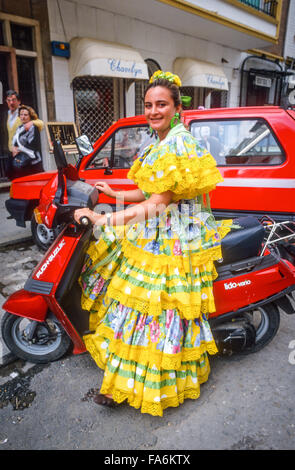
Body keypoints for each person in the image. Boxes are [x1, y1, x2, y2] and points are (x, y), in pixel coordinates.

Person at [74, 70, 232, 416]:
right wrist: (116, 192)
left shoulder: (177, 143)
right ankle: (123, 382)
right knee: (137, 307)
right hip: (160, 234)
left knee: (153, 311)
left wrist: (106, 218)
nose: (153, 110)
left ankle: (142, 385)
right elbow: (150, 191)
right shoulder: (161, 141)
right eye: (148, 104)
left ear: (177, 107)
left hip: (173, 243)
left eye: (161, 104)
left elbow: (158, 202)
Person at [11, 105, 44, 178]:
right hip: (23, 162)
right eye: (21, 115)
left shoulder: (33, 128)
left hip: (34, 163)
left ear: (30, 116)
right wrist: (14, 148)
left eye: (25, 115)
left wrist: (19, 149)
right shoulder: (20, 128)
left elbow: (34, 145)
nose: (23, 117)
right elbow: (16, 142)